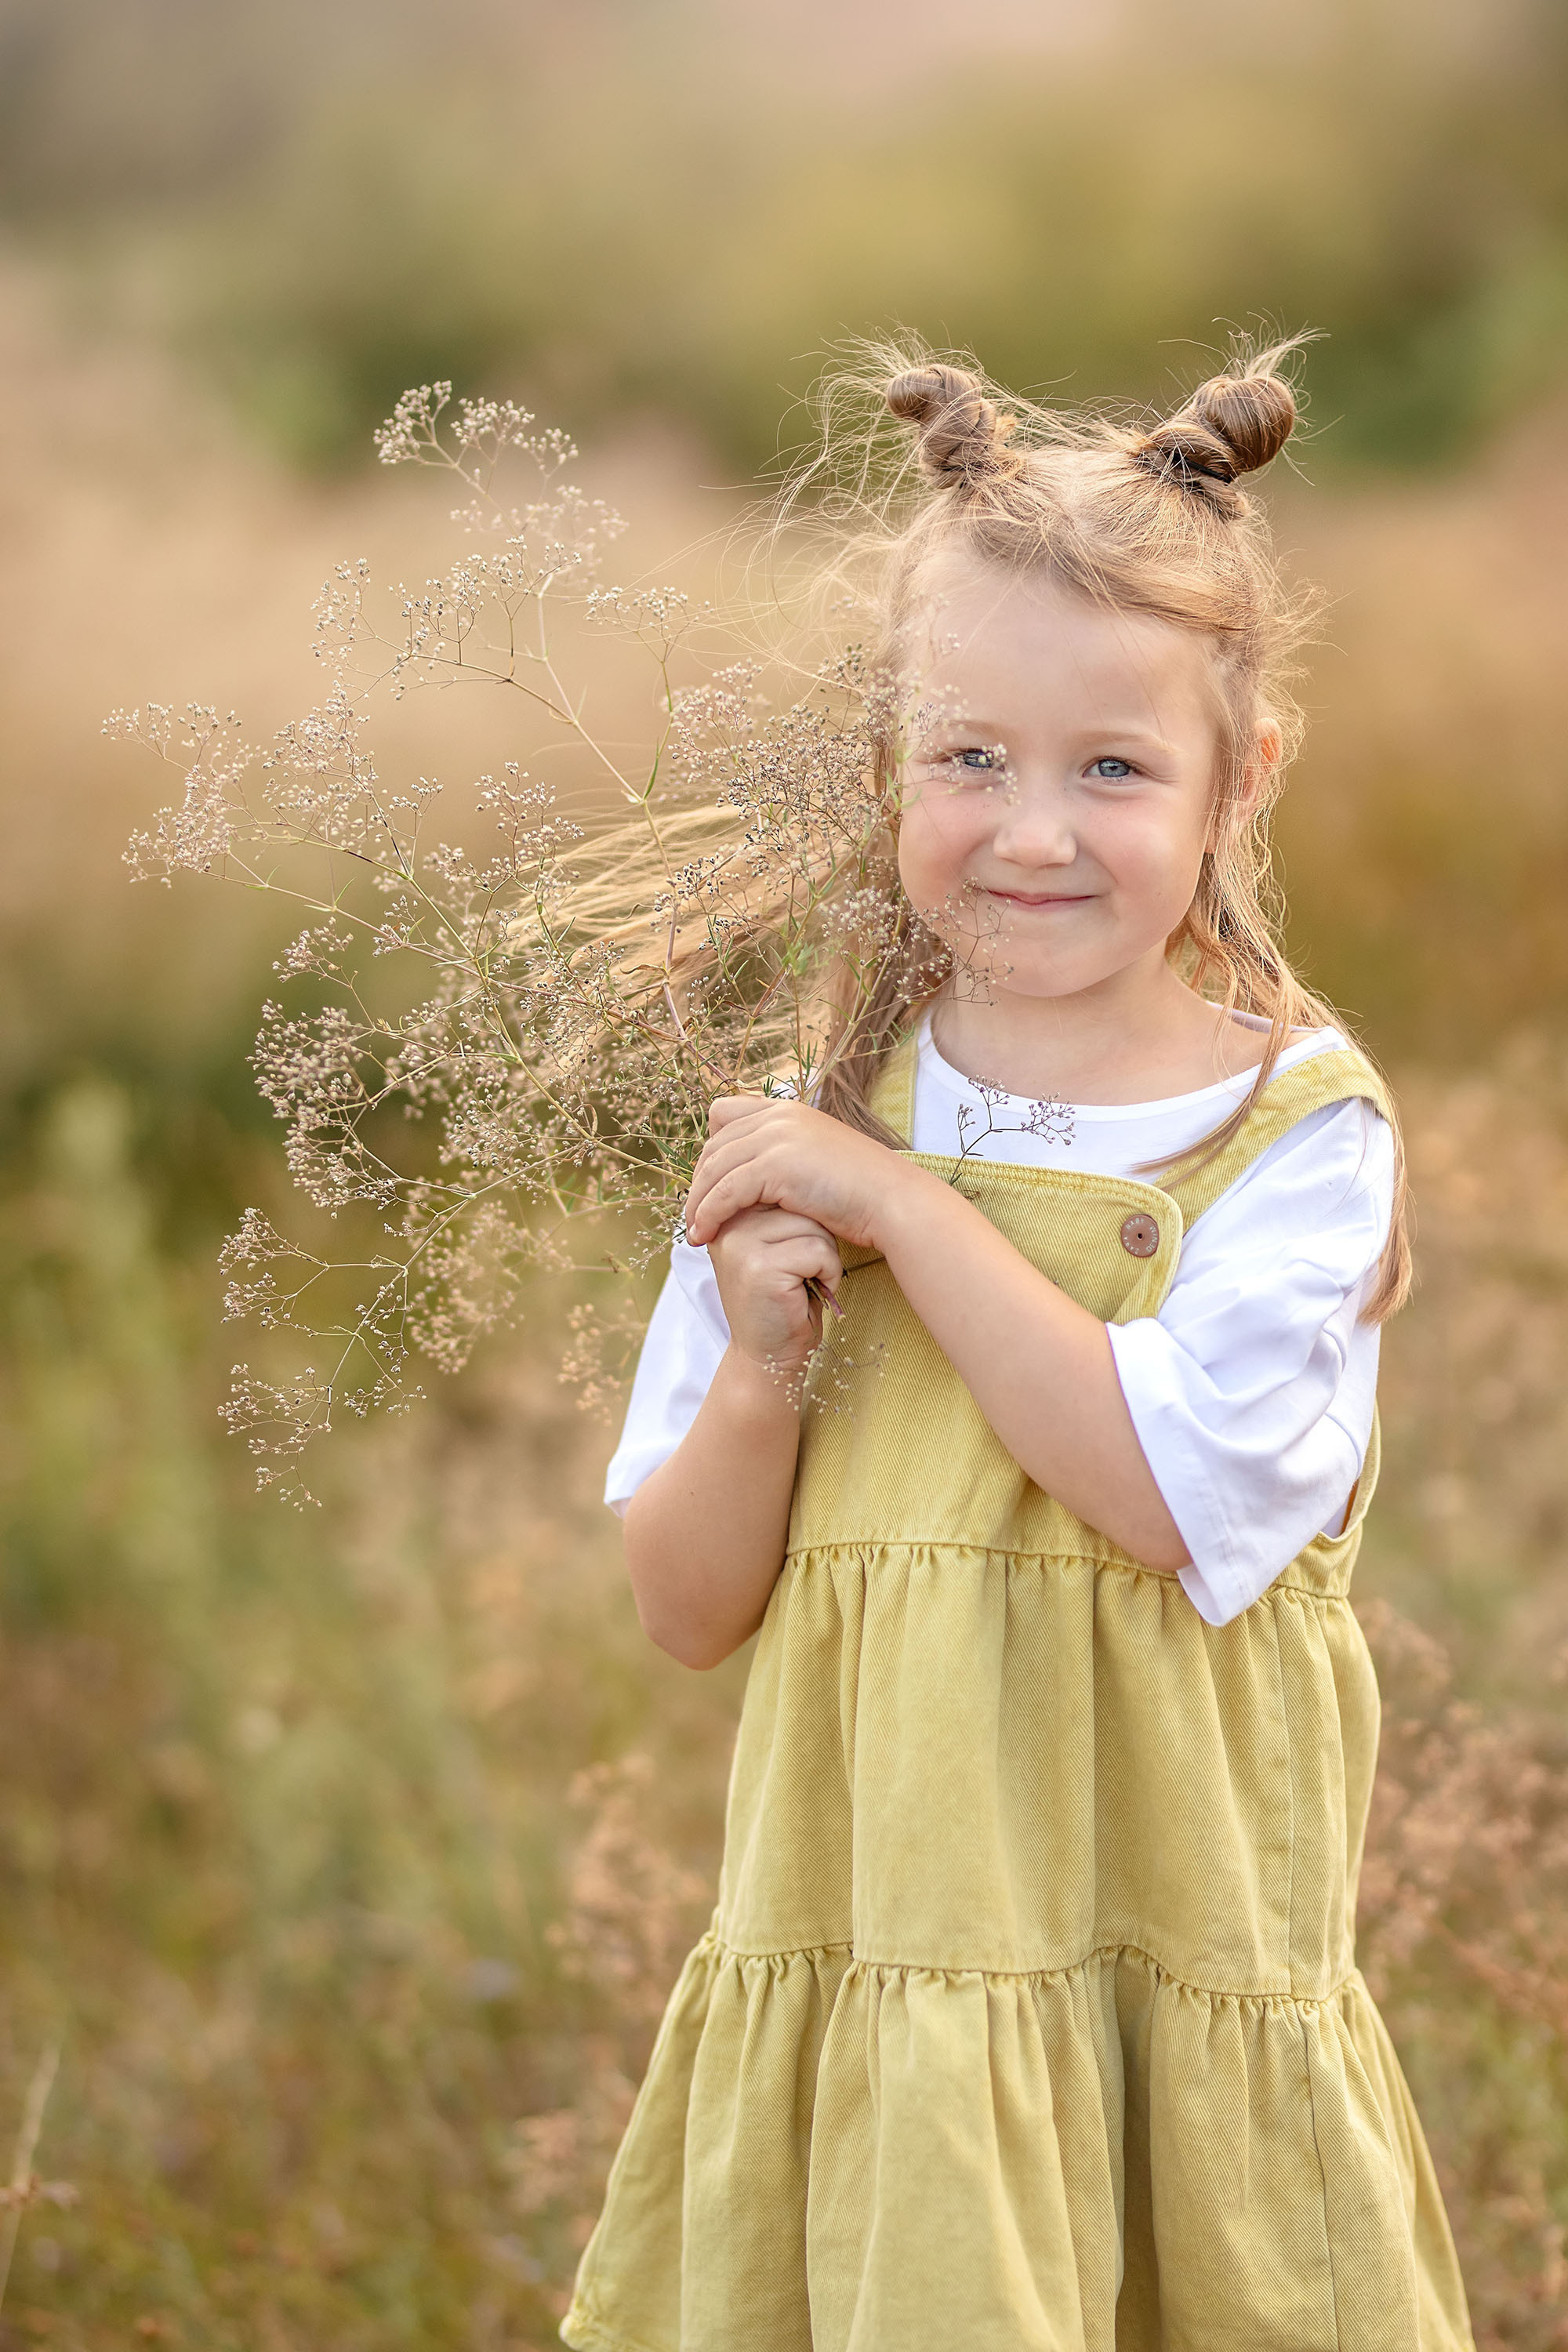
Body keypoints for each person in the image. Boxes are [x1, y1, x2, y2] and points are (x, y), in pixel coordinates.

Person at [561, 345, 1472, 2352]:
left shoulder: (1294, 1137)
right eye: (966, 759)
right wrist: (763, 1368)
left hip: (1164, 1954)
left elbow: (1157, 1494)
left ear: (1243, 781)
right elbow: (686, 1605)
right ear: (885, 766)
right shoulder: (818, 1105)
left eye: (1112, 769)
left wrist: (903, 1213)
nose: (1032, 831)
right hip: (875, 1948)